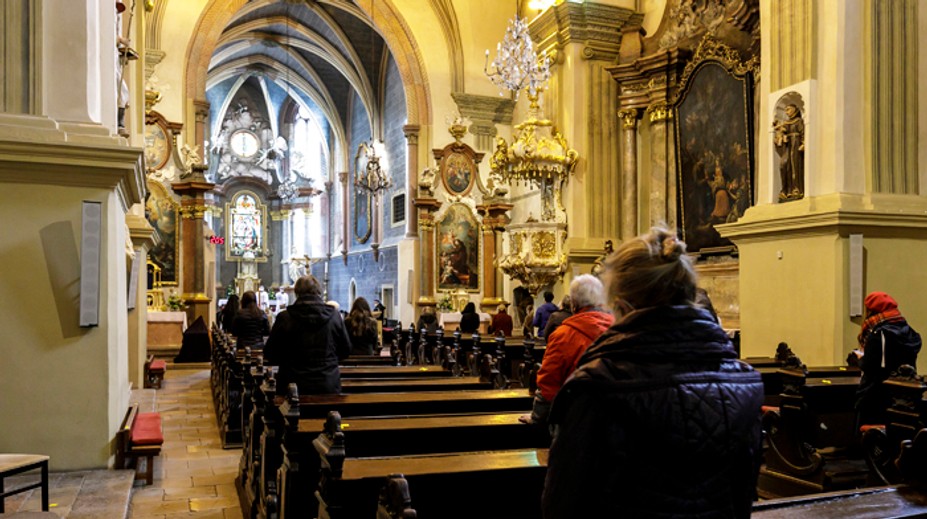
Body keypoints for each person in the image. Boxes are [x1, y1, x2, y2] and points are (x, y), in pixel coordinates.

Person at [542, 227, 764, 518]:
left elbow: (563, 506)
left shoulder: (597, 386)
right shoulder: (744, 380)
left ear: (621, 307)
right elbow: (743, 495)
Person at [521, 277, 612, 425]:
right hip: (614, 419)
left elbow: (549, 381)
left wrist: (537, 417)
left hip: (575, 420)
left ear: (573, 305)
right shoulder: (620, 329)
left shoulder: (563, 335)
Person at [263, 275, 351, 395]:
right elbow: (345, 350)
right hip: (327, 382)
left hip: (292, 384)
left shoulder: (285, 318)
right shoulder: (334, 316)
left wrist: (289, 361)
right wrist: (328, 361)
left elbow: (270, 353)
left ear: (296, 292)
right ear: (318, 291)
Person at [855, 291, 922, 427]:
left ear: (870, 310)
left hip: (878, 396)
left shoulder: (879, 333)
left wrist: (859, 359)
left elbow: (872, 367)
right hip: (905, 395)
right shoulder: (908, 330)